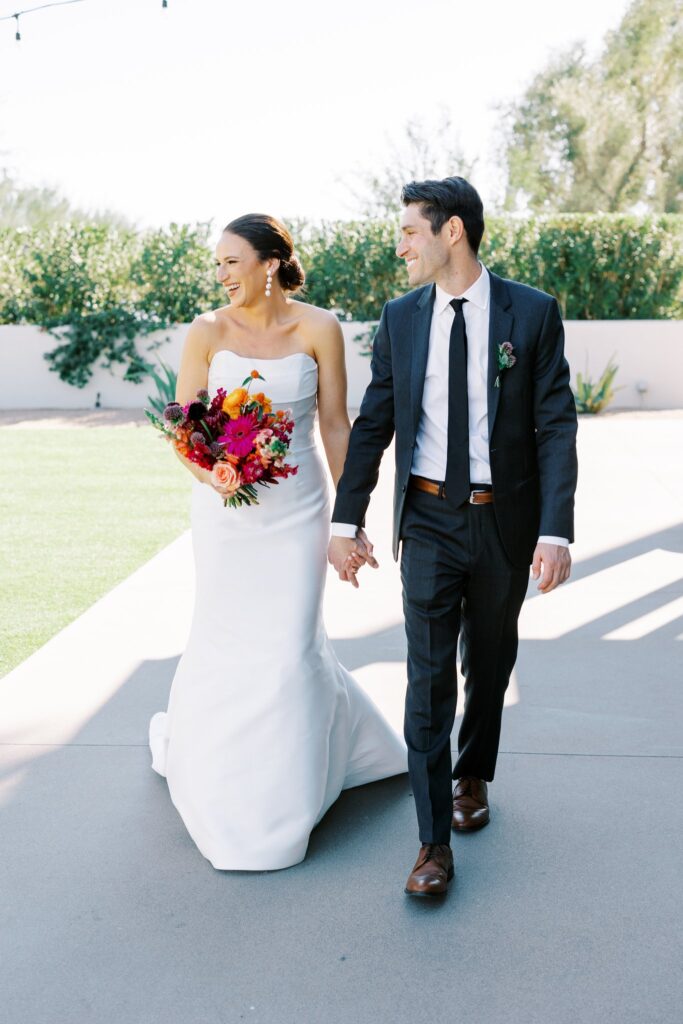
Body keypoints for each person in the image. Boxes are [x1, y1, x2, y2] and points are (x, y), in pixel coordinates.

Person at [328, 177, 578, 899]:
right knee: (428, 676)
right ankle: (432, 844)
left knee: (489, 662)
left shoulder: (530, 313)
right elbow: (374, 424)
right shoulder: (400, 317)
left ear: (452, 233)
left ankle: (473, 772)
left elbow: (554, 423)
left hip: (504, 522)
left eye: (410, 231)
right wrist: (348, 522)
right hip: (430, 520)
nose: (400, 244)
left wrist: (554, 528)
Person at [149, 213, 406, 871]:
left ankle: (285, 800)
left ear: (269, 263)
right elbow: (185, 428)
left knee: (289, 648)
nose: (222, 274)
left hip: (298, 510)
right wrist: (215, 472)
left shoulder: (318, 327)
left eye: (232, 261)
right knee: (225, 641)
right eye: (218, 265)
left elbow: (335, 427)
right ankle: (222, 786)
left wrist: (348, 522)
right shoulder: (206, 331)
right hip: (227, 515)